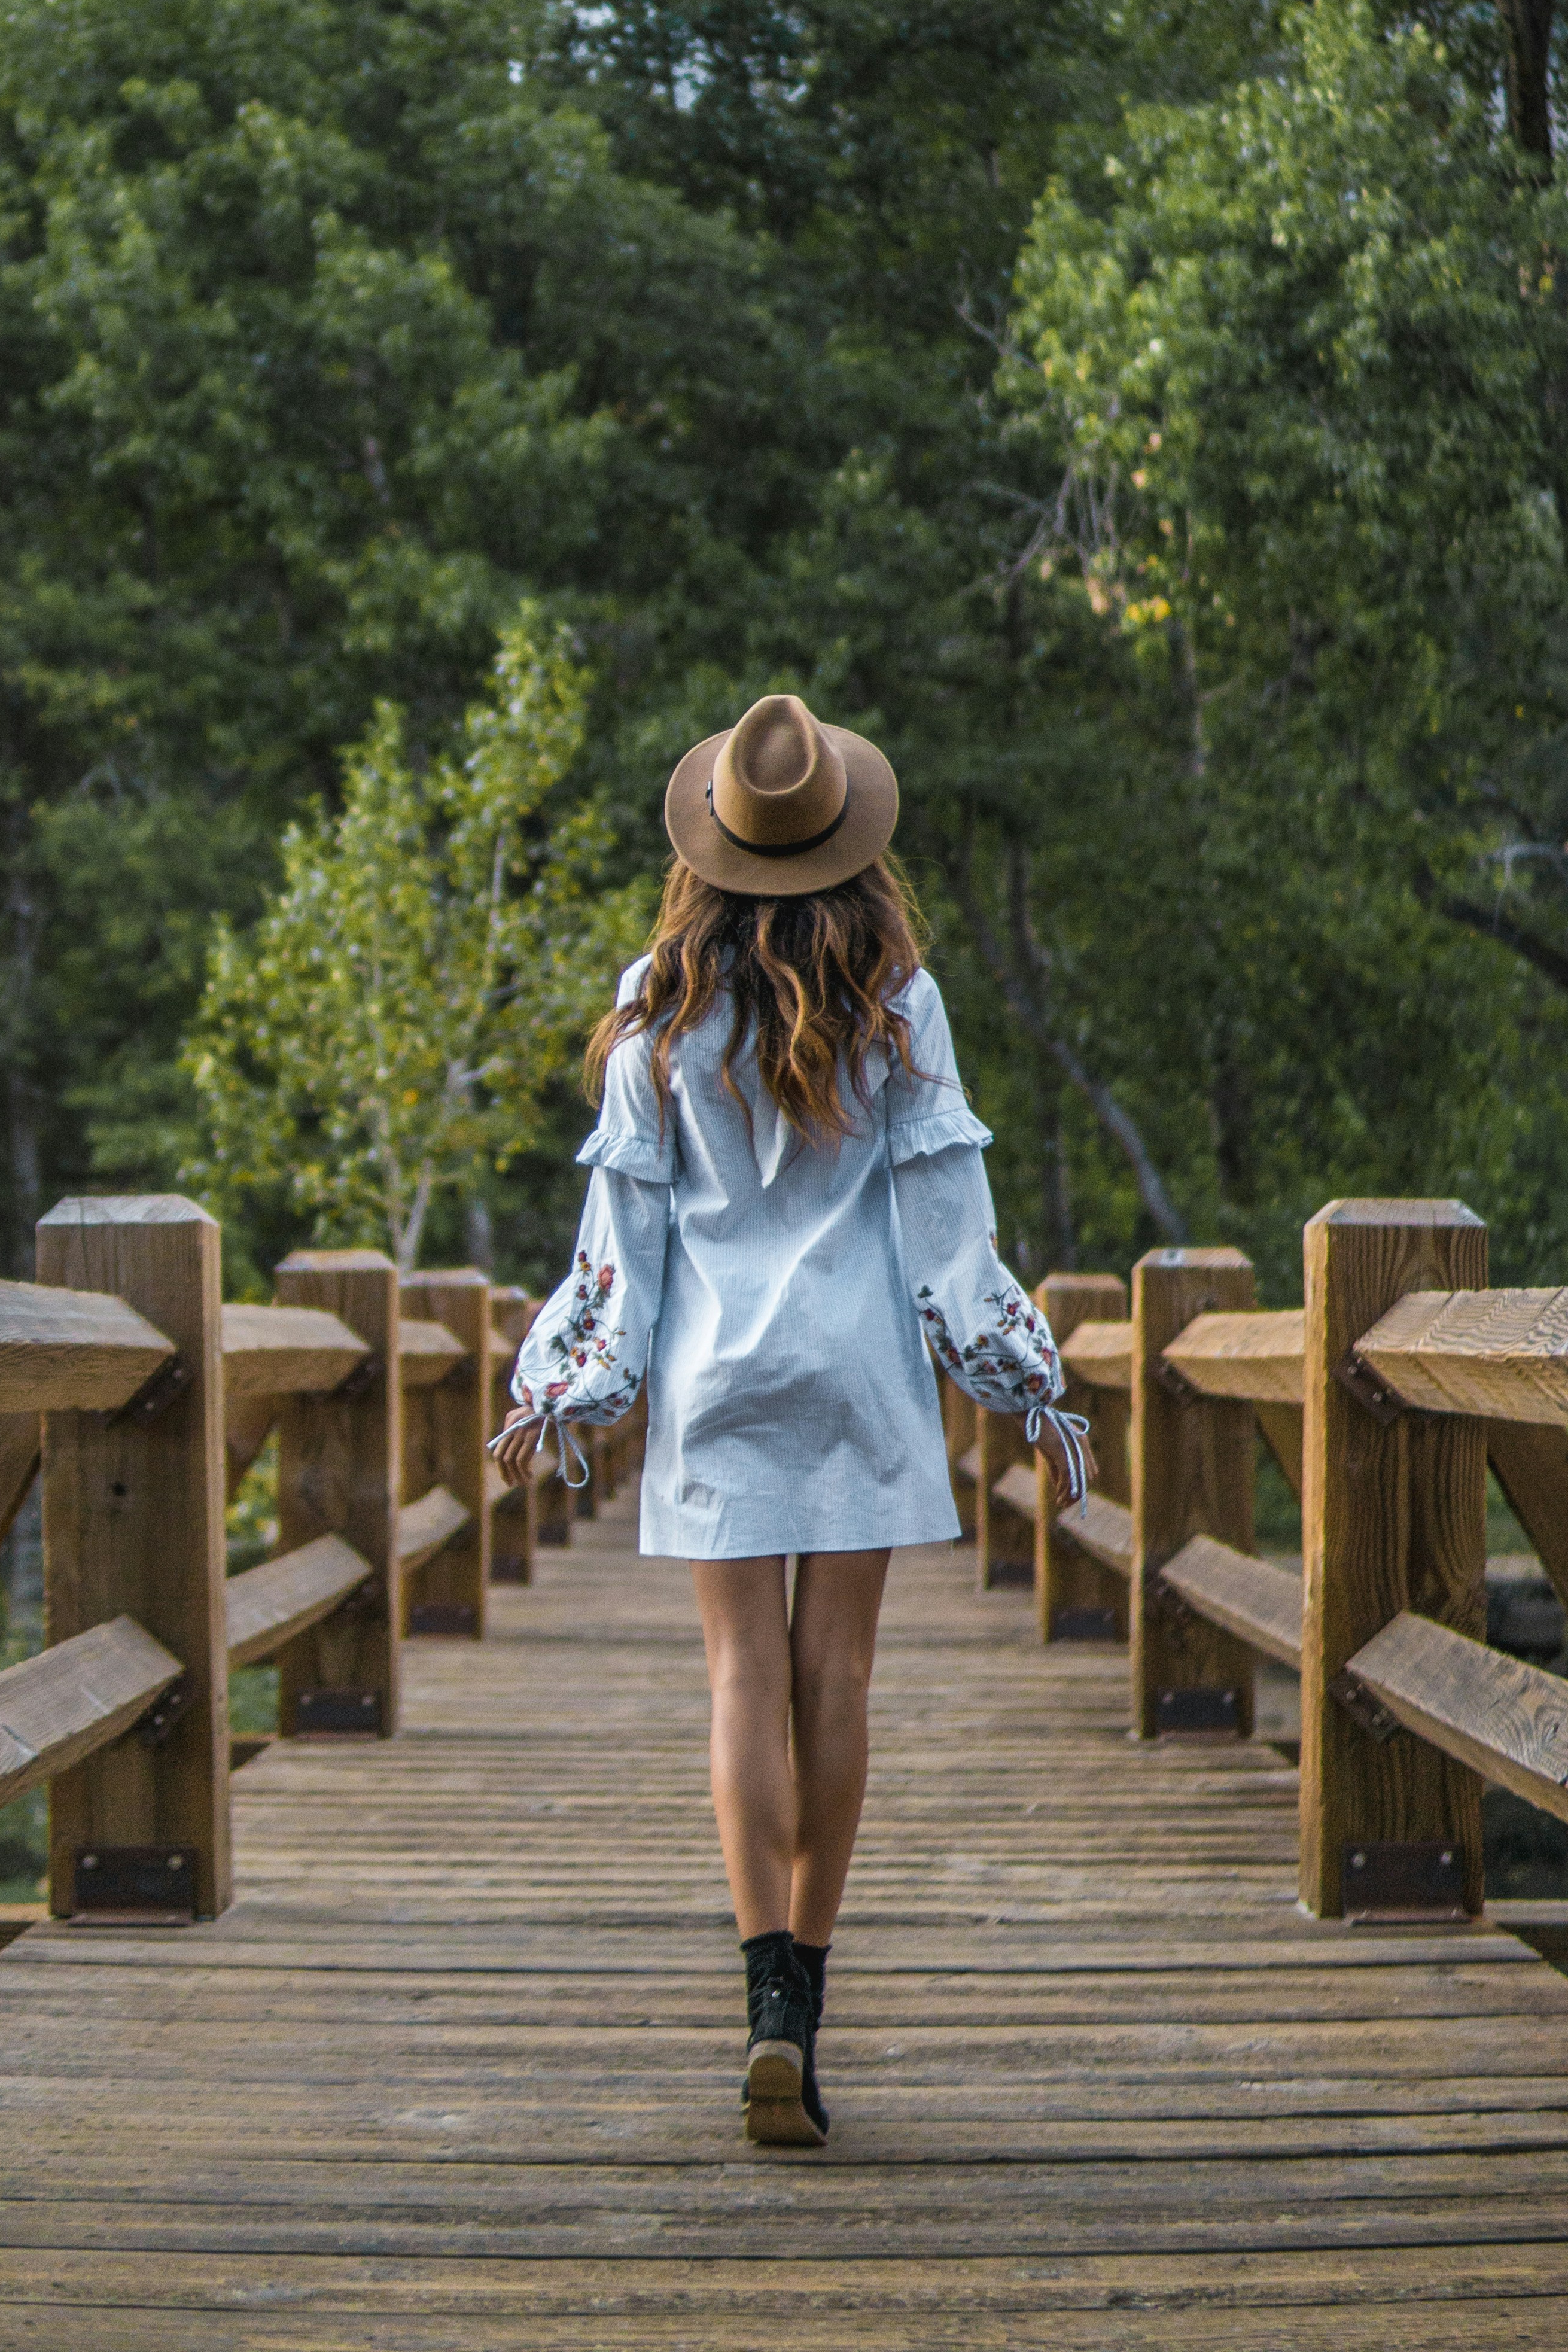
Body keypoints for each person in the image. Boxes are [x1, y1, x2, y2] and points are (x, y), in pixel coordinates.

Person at [489, 692, 1089, 2151]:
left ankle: (759, 1993)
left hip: (714, 1378)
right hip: (861, 1374)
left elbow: (619, 1238)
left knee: (740, 1682)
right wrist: (1021, 1374)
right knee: (841, 1678)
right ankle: (805, 2004)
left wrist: (566, 1380)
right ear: (852, 844)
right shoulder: (900, 995)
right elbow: (948, 1222)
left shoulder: (658, 999)